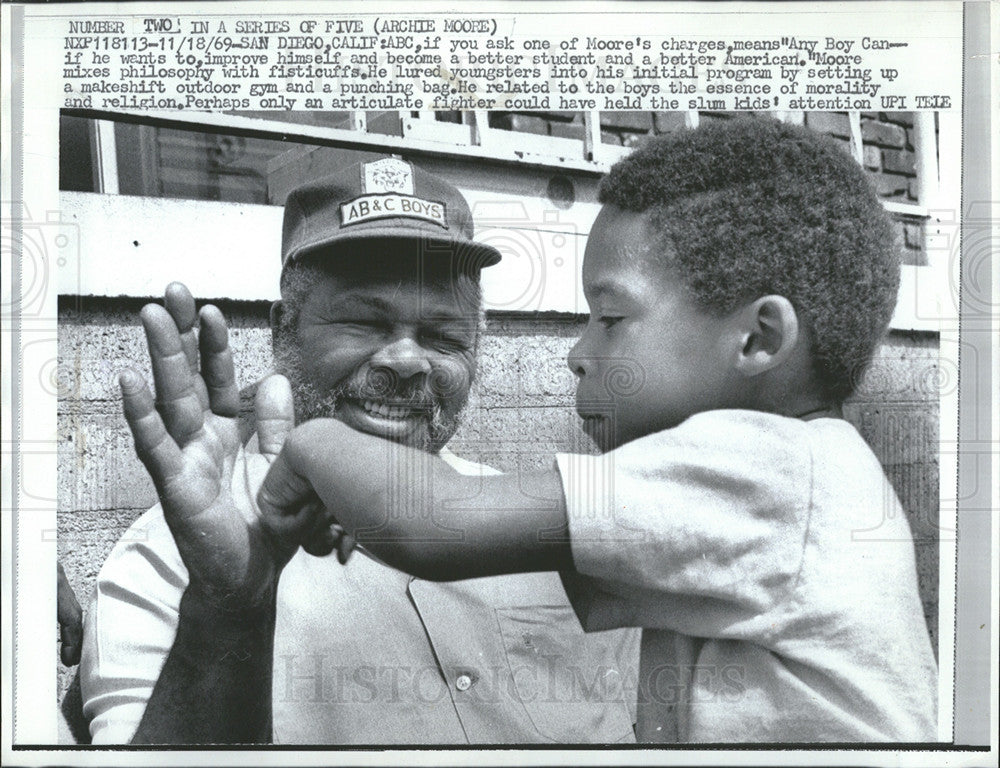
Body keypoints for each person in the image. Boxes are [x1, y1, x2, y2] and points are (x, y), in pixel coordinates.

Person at [246, 120, 939, 742]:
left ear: (758, 340)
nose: (578, 353)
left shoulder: (773, 469)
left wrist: (310, 446)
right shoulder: (789, 483)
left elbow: (433, 522)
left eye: (609, 319)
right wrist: (353, 494)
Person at [81, 157, 638, 744]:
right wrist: (228, 615)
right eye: (364, 325)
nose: (406, 362)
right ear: (283, 330)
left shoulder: (540, 527)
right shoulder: (173, 561)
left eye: (443, 336)